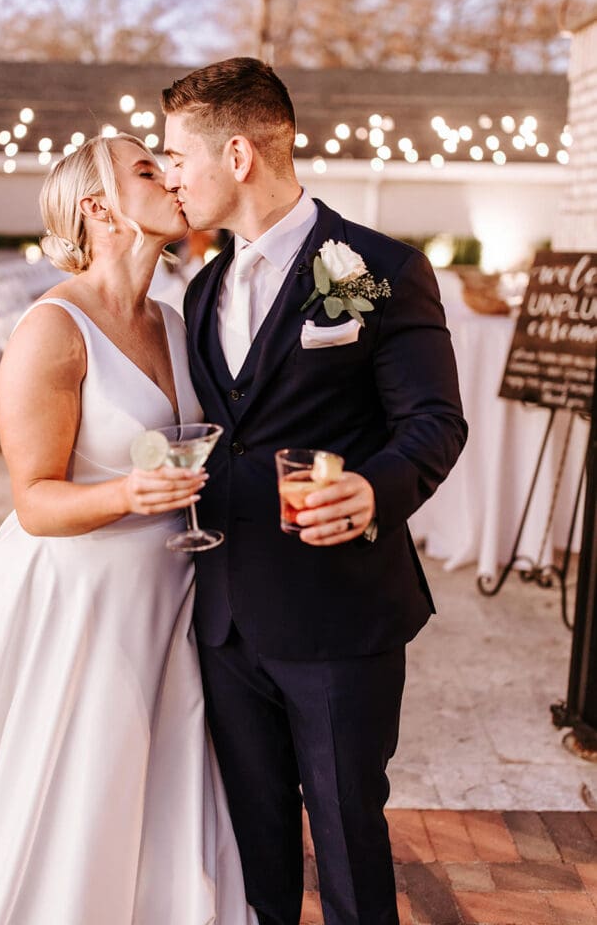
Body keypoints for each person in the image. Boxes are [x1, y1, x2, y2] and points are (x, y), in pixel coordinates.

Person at [0, 133, 256, 924]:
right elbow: (34, 501)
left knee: (158, 796)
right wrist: (131, 493)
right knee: (79, 796)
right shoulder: (52, 329)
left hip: (168, 593)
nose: (170, 179)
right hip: (81, 604)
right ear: (99, 208)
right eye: (147, 171)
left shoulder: (174, 321)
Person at [162, 58, 468, 925]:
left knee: (345, 837)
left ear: (236, 155)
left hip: (338, 615)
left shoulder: (378, 268)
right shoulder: (202, 289)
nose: (172, 177)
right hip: (225, 619)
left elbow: (433, 422)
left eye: (177, 157)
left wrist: (373, 490)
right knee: (254, 846)